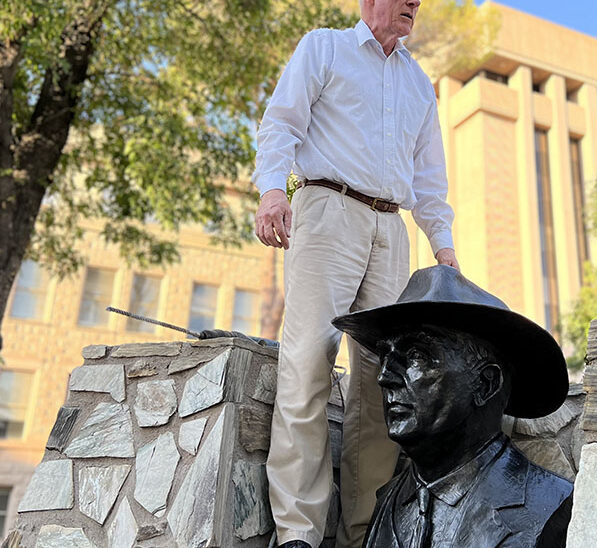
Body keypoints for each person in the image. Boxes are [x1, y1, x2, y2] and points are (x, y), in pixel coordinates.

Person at [251, 0, 458, 546]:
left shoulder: (419, 83)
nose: (416, 2)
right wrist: (274, 189)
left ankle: (363, 531)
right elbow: (282, 124)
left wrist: (443, 247)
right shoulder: (324, 48)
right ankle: (299, 532)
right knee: (307, 362)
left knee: (384, 383)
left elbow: (429, 175)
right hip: (327, 211)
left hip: (392, 230)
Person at [333, 265, 574, 548]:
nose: (385, 376)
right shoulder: (387, 503)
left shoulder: (548, 503)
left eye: (416, 355)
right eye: (385, 355)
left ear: (486, 384)